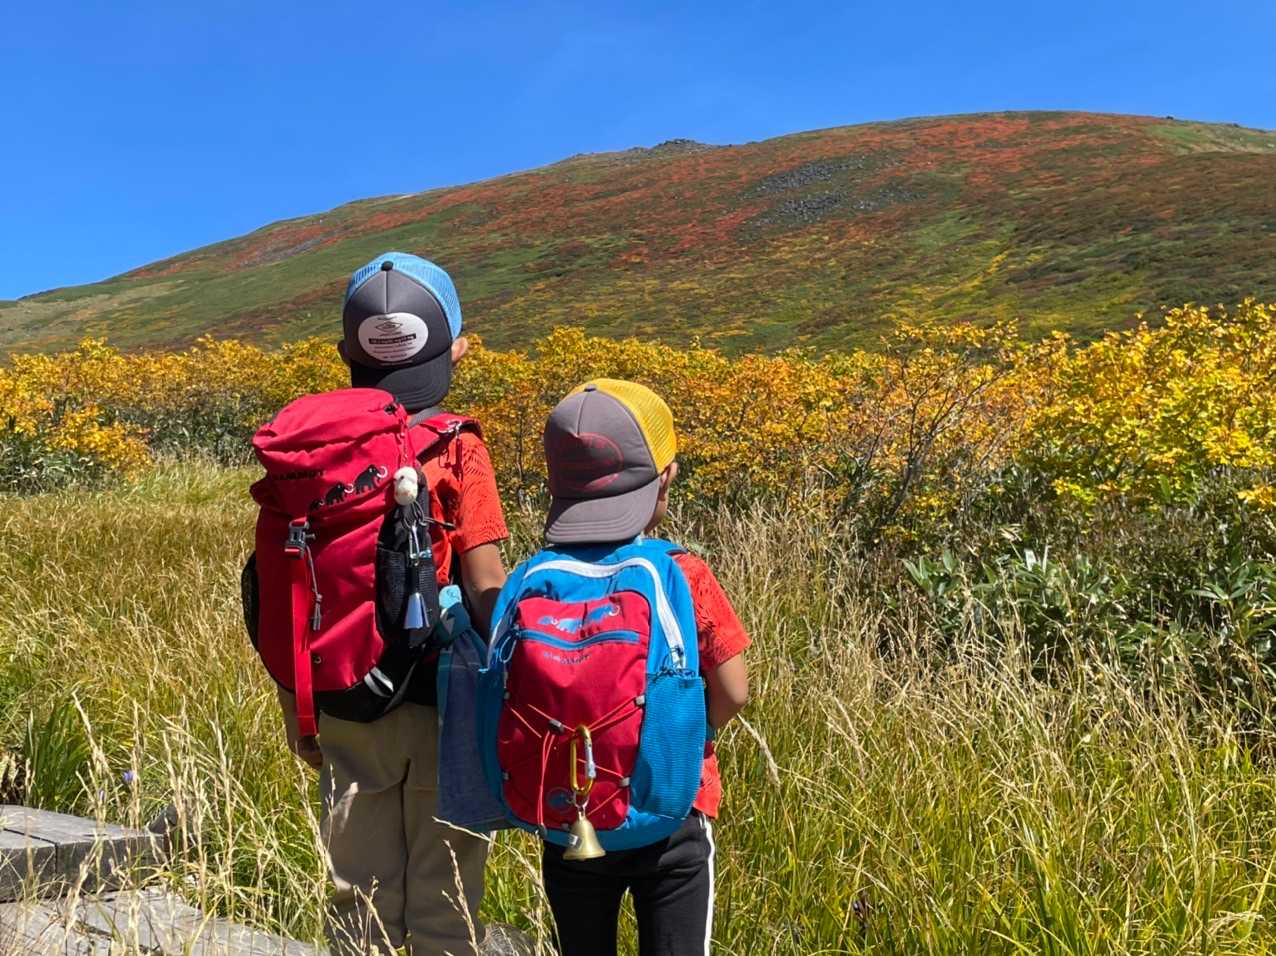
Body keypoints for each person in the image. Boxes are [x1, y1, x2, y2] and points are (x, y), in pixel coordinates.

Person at [275, 252, 509, 955]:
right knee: (447, 899)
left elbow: (289, 587)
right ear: (457, 349)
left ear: (345, 353)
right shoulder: (459, 446)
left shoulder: (311, 450)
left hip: (345, 694)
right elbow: (485, 584)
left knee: (358, 896)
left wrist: (299, 709)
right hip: (445, 702)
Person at [531, 380, 750, 956]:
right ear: (665, 479)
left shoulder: (539, 578)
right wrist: (682, 734)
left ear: (556, 484)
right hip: (673, 810)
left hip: (570, 813)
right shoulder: (683, 572)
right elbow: (734, 690)